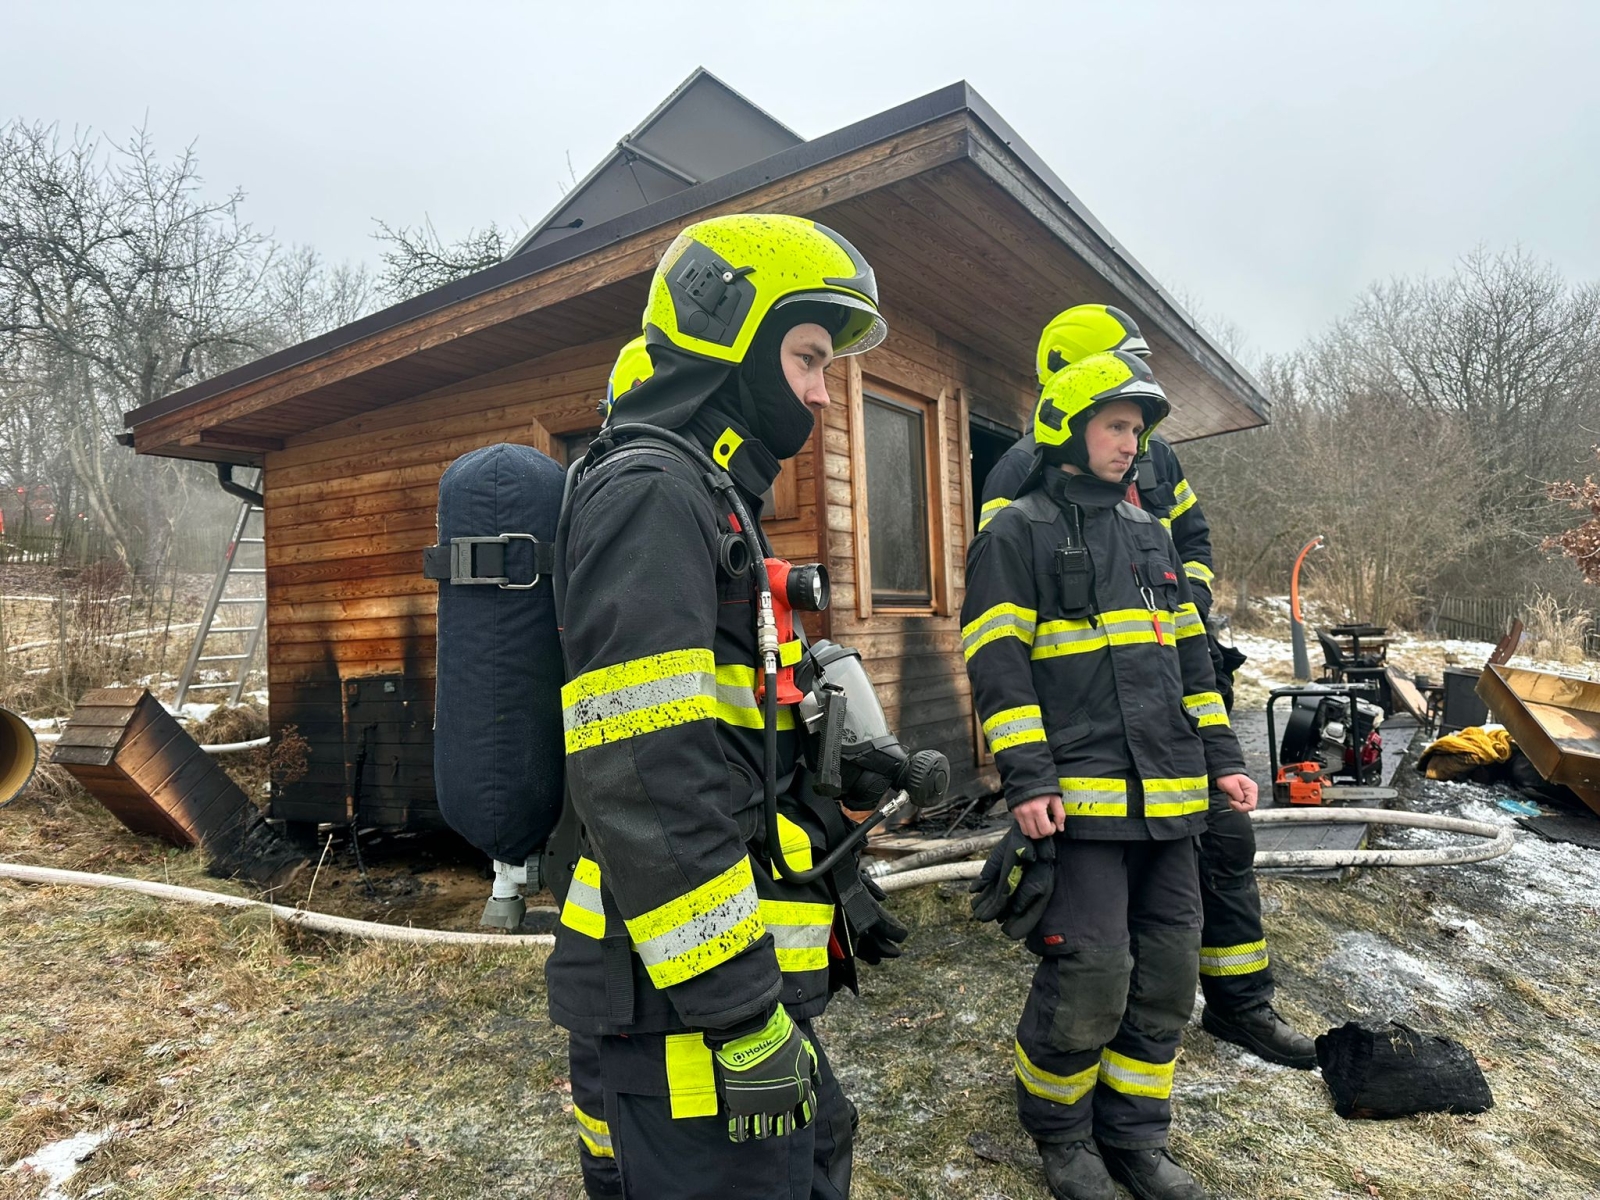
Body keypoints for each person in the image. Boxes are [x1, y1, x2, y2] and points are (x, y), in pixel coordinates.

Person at [548, 213, 905, 1200]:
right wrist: (738, 1011)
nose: (822, 396)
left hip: (700, 988)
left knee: (819, 1148)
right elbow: (643, 771)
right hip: (683, 1009)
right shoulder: (656, 493)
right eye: (805, 359)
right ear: (725, 335)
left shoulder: (706, 497)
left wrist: (837, 799)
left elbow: (721, 746)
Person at [979, 305, 1314, 1071]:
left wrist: (1182, 611)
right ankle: (1104, 1021)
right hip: (1090, 733)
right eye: (1117, 408)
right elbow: (1006, 621)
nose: (1132, 440)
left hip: (1171, 689)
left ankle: (1240, 1003)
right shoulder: (1018, 481)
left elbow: (1189, 540)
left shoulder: (1156, 462)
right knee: (1098, 913)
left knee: (1222, 844)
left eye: (1139, 415)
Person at [963, 350, 1259, 1200]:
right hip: (1083, 806)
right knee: (1092, 972)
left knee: (1167, 974)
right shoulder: (1014, 533)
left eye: (1137, 430)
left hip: (1174, 804)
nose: (1131, 444)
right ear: (1067, 426)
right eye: (1116, 426)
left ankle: (1135, 1137)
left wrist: (1224, 762)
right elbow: (998, 667)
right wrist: (1028, 780)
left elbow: (1192, 667)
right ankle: (1060, 1135)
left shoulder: (1151, 536)